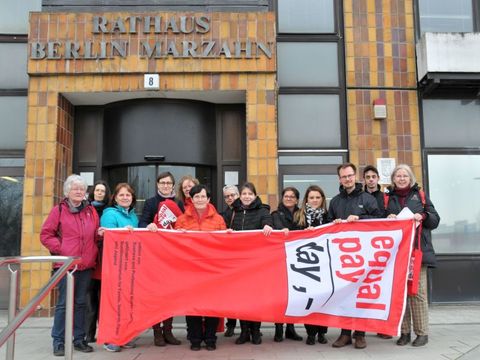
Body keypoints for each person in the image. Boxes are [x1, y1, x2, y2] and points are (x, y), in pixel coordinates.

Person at [40, 174, 100, 357]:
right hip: (65, 265)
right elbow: (46, 235)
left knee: (81, 304)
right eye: (75, 189)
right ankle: (58, 341)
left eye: (82, 189)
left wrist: (101, 234)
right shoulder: (58, 210)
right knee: (64, 304)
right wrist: (62, 249)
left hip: (85, 265)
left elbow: (94, 236)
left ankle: (79, 339)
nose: (79, 192)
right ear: (67, 191)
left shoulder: (91, 211)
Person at [385, 164, 440, 347]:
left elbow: (435, 220)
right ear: (393, 179)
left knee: (418, 293)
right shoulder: (387, 198)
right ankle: (405, 332)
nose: (401, 178)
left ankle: (422, 333)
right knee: (400, 293)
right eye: (398, 176)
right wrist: (388, 220)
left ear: (411, 178)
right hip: (397, 255)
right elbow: (378, 222)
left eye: (405, 176)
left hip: (417, 252)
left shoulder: (421, 196)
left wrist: (422, 216)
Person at [328, 163, 382, 349]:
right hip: (342, 257)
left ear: (355, 176)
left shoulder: (367, 199)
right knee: (344, 295)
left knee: (360, 295)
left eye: (350, 175)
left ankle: (360, 334)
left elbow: (380, 221)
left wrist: (361, 219)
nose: (347, 179)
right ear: (339, 179)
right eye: (344, 177)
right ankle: (344, 334)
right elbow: (328, 227)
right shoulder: (335, 201)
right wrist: (333, 224)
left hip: (363, 256)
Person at [174, 185, 227, 351]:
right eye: (196, 197)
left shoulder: (218, 219)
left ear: (208, 199)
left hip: (212, 270)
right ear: (191, 199)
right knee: (192, 305)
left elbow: (224, 244)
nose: (199, 200)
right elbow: (174, 242)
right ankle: (195, 339)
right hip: (190, 270)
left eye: (203, 196)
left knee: (212, 305)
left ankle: (211, 338)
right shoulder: (182, 219)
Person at [138, 171, 183, 346]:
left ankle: (168, 331)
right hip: (155, 256)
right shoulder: (150, 202)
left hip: (172, 257)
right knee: (156, 296)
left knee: (170, 295)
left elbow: (183, 223)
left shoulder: (178, 203)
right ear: (157, 185)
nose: (165, 185)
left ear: (173, 185)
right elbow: (142, 222)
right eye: (162, 183)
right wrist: (148, 225)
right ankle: (157, 332)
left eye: (168, 183)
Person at [227, 182, 274, 345]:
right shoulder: (233, 211)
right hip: (237, 263)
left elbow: (268, 222)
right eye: (244, 193)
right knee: (241, 298)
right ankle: (244, 331)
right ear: (240, 195)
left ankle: (256, 331)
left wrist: (268, 226)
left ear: (255, 196)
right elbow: (223, 228)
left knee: (255, 298)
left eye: (250, 194)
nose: (246, 196)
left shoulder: (263, 211)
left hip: (256, 263)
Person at [100, 183, 139, 352]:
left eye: (128, 195)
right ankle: (111, 338)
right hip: (115, 265)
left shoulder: (134, 216)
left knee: (127, 302)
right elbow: (110, 237)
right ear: (115, 198)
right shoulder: (109, 214)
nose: (125, 198)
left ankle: (124, 335)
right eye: (121, 195)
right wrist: (123, 232)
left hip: (130, 266)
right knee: (114, 302)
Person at [293, 185, 329, 345]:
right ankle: (311, 333)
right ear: (306, 200)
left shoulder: (328, 216)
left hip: (324, 265)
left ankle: (322, 332)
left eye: (317, 197)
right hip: (306, 266)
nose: (314, 200)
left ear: (322, 199)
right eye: (311, 197)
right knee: (309, 300)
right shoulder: (298, 216)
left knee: (324, 299)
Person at [362, 165, 392, 339]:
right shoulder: (360, 197)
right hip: (364, 248)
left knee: (381, 288)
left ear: (378, 178)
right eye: (368, 177)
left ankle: (383, 327)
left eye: (374, 176)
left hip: (382, 248)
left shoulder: (386, 198)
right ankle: (362, 327)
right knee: (365, 289)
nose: (371, 179)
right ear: (364, 179)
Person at [271, 187, 303, 343]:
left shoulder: (302, 214)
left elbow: (303, 230)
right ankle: (278, 329)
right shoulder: (275, 214)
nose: (289, 198)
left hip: (297, 260)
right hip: (280, 260)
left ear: (297, 199)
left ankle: (291, 329)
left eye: (292, 196)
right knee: (281, 296)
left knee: (294, 296)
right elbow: (276, 230)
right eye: (286, 196)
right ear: (282, 198)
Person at [85, 180, 111, 344]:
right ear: (93, 192)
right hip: (91, 258)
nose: (100, 193)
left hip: (105, 258)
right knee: (90, 299)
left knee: (104, 299)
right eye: (98, 190)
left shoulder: (109, 211)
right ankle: (89, 333)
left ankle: (105, 332)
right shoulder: (87, 210)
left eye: (103, 191)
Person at [220, 184, 240, 337]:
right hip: (228, 258)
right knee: (230, 294)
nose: (230, 198)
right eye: (227, 196)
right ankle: (231, 324)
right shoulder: (223, 214)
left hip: (245, 258)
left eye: (232, 195)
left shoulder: (246, 209)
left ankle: (247, 327)